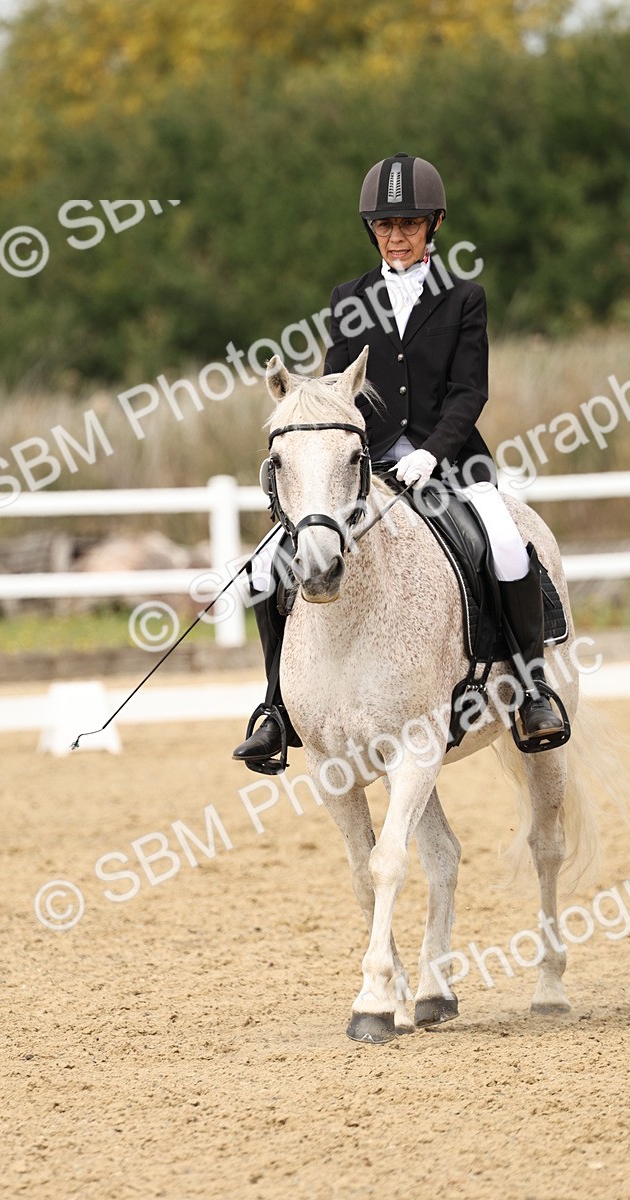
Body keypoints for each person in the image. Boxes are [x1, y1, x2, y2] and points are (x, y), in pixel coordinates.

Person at [232, 152, 564, 770]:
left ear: (434, 224)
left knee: (508, 546)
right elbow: (338, 389)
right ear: (372, 231)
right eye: (385, 226)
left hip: (454, 460)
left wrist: (433, 453)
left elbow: (470, 392)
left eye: (409, 224)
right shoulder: (348, 297)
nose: (396, 236)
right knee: (264, 569)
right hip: (366, 464)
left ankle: (531, 689)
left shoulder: (465, 298)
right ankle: (277, 709)